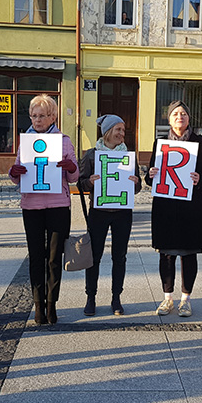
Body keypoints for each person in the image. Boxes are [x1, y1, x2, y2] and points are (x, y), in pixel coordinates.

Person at [9, 94, 79, 324]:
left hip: (58, 206)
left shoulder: (64, 141)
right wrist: (14, 173)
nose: (37, 120)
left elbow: (74, 177)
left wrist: (71, 168)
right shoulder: (26, 142)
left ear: (53, 117)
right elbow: (16, 175)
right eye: (33, 116)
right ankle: (38, 304)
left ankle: (52, 303)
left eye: (42, 116)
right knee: (36, 257)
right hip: (32, 206)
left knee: (54, 258)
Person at [145, 100, 202, 317]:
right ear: (169, 118)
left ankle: (186, 299)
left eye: (183, 113)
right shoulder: (160, 143)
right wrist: (151, 175)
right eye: (175, 114)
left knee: (189, 254)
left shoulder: (201, 143)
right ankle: (167, 298)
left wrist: (200, 180)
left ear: (189, 117)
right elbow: (150, 177)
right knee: (166, 254)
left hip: (191, 208)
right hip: (165, 207)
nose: (180, 117)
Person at [78, 114, 142, 316]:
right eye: (118, 129)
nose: (122, 133)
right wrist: (89, 182)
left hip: (122, 214)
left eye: (123, 129)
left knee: (119, 257)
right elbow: (80, 183)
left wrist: (136, 183)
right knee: (94, 257)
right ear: (107, 132)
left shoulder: (129, 155)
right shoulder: (91, 155)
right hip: (98, 213)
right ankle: (91, 297)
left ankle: (116, 298)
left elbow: (138, 186)